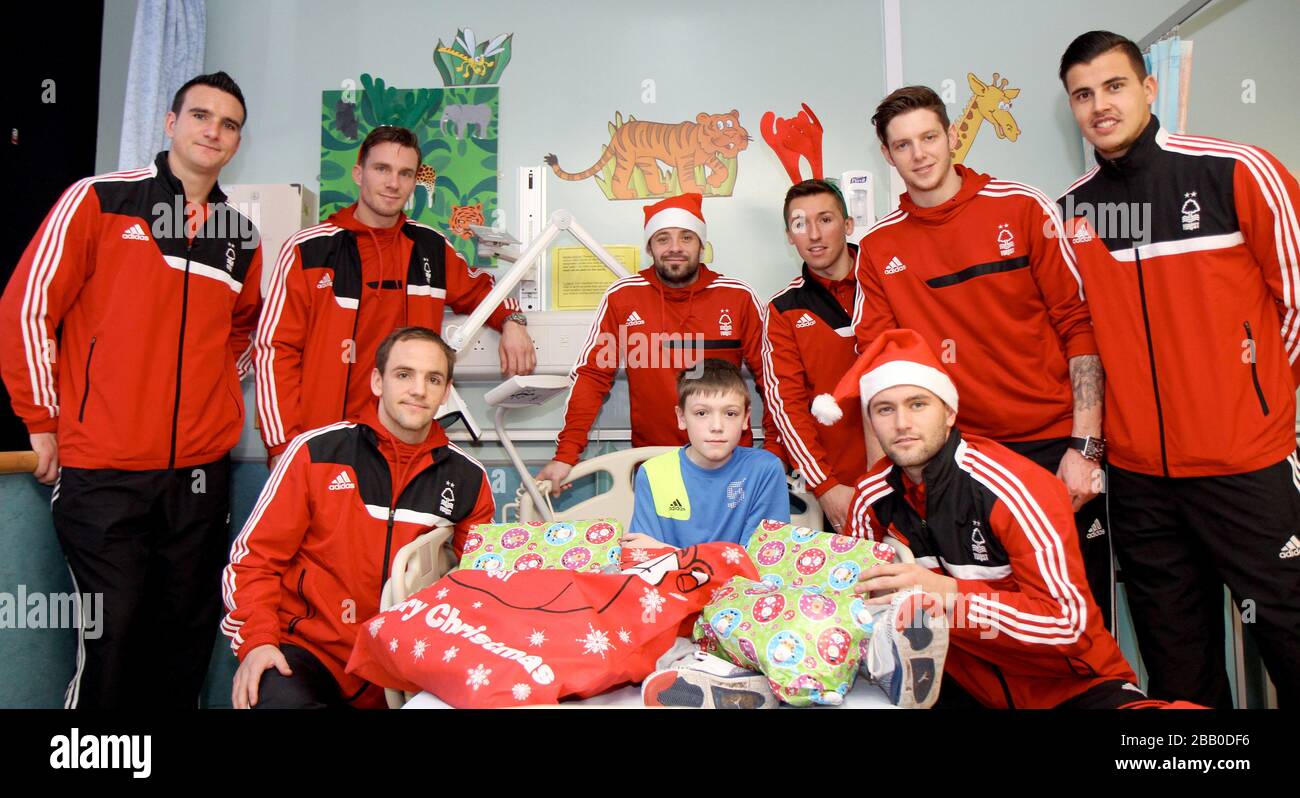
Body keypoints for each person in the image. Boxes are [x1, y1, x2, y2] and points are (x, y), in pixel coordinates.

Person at [0, 72, 262, 708]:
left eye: (228, 125)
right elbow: (27, 306)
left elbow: (245, 332)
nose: (213, 131)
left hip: (198, 478)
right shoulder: (99, 200)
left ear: (235, 144)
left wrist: (212, 395)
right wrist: (43, 420)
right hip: (103, 472)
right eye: (201, 115)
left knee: (185, 640)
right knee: (113, 638)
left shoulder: (241, 236)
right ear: (170, 124)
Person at [1057, 30, 1300, 707]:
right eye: (1082, 94)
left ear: (1149, 87)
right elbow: (1087, 343)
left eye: (1113, 86)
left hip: (1244, 465)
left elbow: (1297, 297)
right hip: (1139, 482)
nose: (1099, 105)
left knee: (1289, 633)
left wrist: (1260, 405)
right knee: (1178, 663)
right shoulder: (1074, 212)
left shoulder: (1235, 170)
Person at [840, 85, 1112, 628]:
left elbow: (1079, 328)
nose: (919, 155)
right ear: (887, 155)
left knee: (1074, 621)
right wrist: (881, 478)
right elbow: (878, 373)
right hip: (954, 463)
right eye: (902, 145)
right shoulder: (877, 247)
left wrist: (1086, 447)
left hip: (1050, 451)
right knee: (971, 625)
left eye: (928, 138)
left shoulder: (1022, 206)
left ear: (952, 136)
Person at [827, 329, 1155, 709]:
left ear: (949, 412)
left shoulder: (1015, 487)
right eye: (885, 409)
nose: (902, 423)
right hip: (954, 686)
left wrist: (946, 594)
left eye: (918, 404)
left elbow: (1070, 627)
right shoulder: (871, 496)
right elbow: (857, 609)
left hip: (1069, 688)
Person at [224, 327, 495, 709]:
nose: (418, 389)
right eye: (404, 374)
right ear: (377, 381)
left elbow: (482, 584)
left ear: (446, 391)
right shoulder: (316, 453)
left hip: (406, 662)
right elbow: (253, 562)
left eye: (432, 379)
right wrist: (258, 642)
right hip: (309, 654)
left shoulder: (468, 478)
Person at [256, 125, 535, 464]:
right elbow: (274, 351)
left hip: (407, 445)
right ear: (359, 173)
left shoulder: (431, 248)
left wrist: (512, 321)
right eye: (382, 169)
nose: (393, 183)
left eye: (405, 173)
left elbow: (485, 291)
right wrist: (282, 446)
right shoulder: (308, 251)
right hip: (325, 446)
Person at [534, 192, 785, 496]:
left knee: (730, 544)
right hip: (657, 464)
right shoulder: (623, 298)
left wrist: (774, 452)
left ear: (701, 245)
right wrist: (566, 454)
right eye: (663, 238)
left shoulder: (738, 297)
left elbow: (774, 380)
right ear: (650, 247)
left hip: (728, 464)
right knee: (659, 543)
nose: (675, 248)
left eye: (687, 238)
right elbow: (592, 377)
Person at [761, 179, 869, 533]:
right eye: (799, 224)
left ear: (848, 225)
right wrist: (825, 486)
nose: (814, 234)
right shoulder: (783, 310)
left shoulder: (886, 280)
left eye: (825, 219)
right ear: (789, 236)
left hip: (912, 476)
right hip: (838, 486)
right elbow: (786, 407)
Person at [623, 359, 789, 549]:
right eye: (702, 413)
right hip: (670, 579)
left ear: (746, 418)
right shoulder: (654, 473)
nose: (717, 427)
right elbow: (645, 559)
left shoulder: (764, 471)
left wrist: (668, 551)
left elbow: (762, 561)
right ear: (682, 417)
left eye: (730, 413)